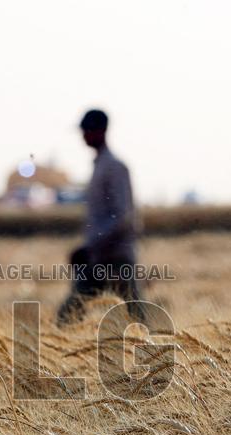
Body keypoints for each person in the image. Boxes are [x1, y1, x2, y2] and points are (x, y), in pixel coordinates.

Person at [57, 109, 144, 324]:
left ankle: (156, 352)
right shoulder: (100, 166)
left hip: (115, 258)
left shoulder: (113, 167)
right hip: (99, 258)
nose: (83, 136)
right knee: (69, 315)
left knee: (136, 320)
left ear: (101, 131)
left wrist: (90, 246)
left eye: (87, 131)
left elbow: (123, 217)